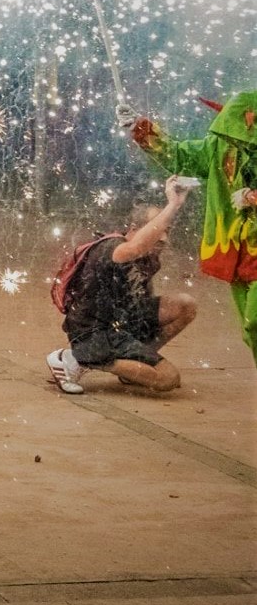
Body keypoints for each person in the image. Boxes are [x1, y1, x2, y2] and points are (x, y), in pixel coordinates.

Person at [125, 91, 257, 361]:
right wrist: (143, 131)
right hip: (237, 251)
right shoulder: (219, 146)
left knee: (256, 321)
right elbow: (180, 155)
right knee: (249, 329)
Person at [47, 179, 201, 394]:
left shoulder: (150, 258)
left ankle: (132, 368)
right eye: (157, 229)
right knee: (168, 379)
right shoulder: (112, 247)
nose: (163, 237)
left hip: (123, 322)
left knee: (185, 305)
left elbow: (140, 296)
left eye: (167, 230)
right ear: (135, 229)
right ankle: (76, 358)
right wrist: (173, 204)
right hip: (96, 333)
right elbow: (136, 247)